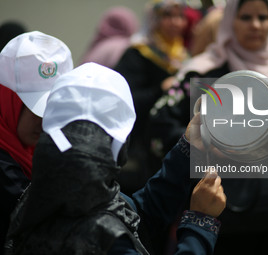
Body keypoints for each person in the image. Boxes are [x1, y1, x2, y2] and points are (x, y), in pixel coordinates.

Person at [149, 0, 268, 254]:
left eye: (263, 18)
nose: (256, 25)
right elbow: (159, 120)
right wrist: (206, 143)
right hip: (215, 215)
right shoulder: (203, 71)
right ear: (230, 21)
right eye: (246, 17)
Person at [4, 62, 226, 255]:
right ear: (119, 145)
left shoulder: (44, 195)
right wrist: (200, 223)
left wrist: (186, 149)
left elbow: (135, 212)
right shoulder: (106, 238)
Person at [0, 31, 73, 253]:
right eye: (34, 108)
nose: (44, 119)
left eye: (54, 107)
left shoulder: (49, 147)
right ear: (7, 100)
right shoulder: (5, 171)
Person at [114, 0, 189, 195]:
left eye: (180, 16)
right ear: (153, 19)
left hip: (168, 150)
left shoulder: (182, 57)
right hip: (137, 152)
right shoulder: (137, 54)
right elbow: (122, 100)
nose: (175, 22)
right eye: (167, 16)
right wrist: (159, 90)